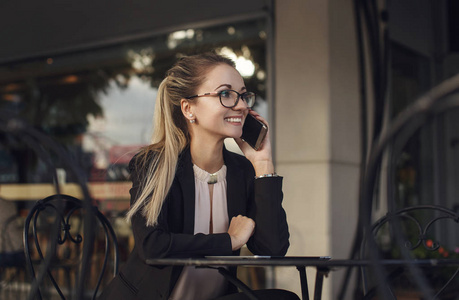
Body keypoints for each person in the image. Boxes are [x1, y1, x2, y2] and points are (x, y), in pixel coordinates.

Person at [99, 52, 297, 300]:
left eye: (243, 95)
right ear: (188, 108)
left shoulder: (242, 170)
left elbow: (273, 249)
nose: (242, 105)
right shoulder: (154, 164)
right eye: (225, 94)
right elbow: (152, 246)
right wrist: (229, 240)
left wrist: (263, 163)